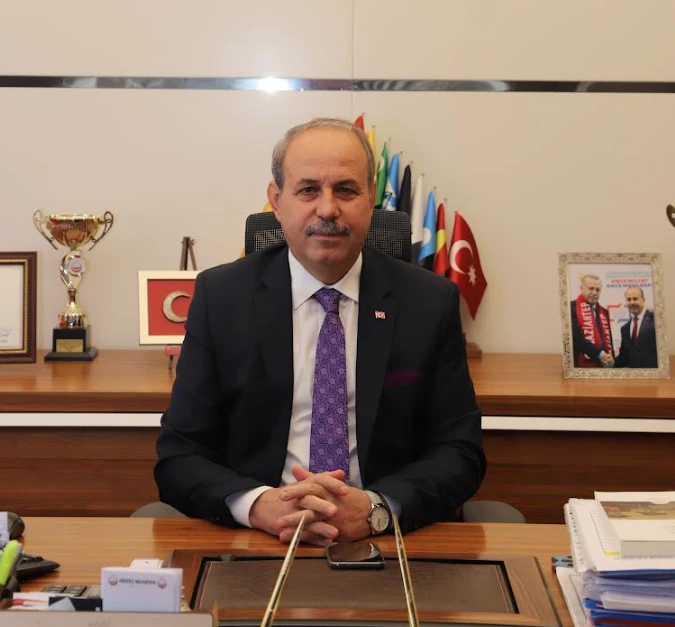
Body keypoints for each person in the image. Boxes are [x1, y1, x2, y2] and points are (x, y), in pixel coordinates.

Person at [154, 117, 486, 546]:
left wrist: (377, 509)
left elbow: (460, 452)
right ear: (276, 201)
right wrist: (258, 505)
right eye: (308, 189)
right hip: (257, 540)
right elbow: (179, 455)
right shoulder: (221, 298)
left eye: (345, 190)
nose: (327, 209)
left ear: (371, 199)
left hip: (384, 540)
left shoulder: (429, 302)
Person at [570, 275, 614, 368]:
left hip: (604, 365)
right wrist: (600, 354)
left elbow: (608, 340)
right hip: (581, 366)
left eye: (597, 290)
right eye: (591, 288)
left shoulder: (604, 312)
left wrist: (611, 357)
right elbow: (575, 338)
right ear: (581, 288)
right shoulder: (571, 307)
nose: (594, 292)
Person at [615, 286, 658, 368]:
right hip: (634, 375)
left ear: (643, 299)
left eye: (635, 299)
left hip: (654, 374)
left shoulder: (656, 320)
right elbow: (623, 358)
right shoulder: (625, 328)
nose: (632, 302)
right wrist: (610, 362)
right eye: (629, 299)